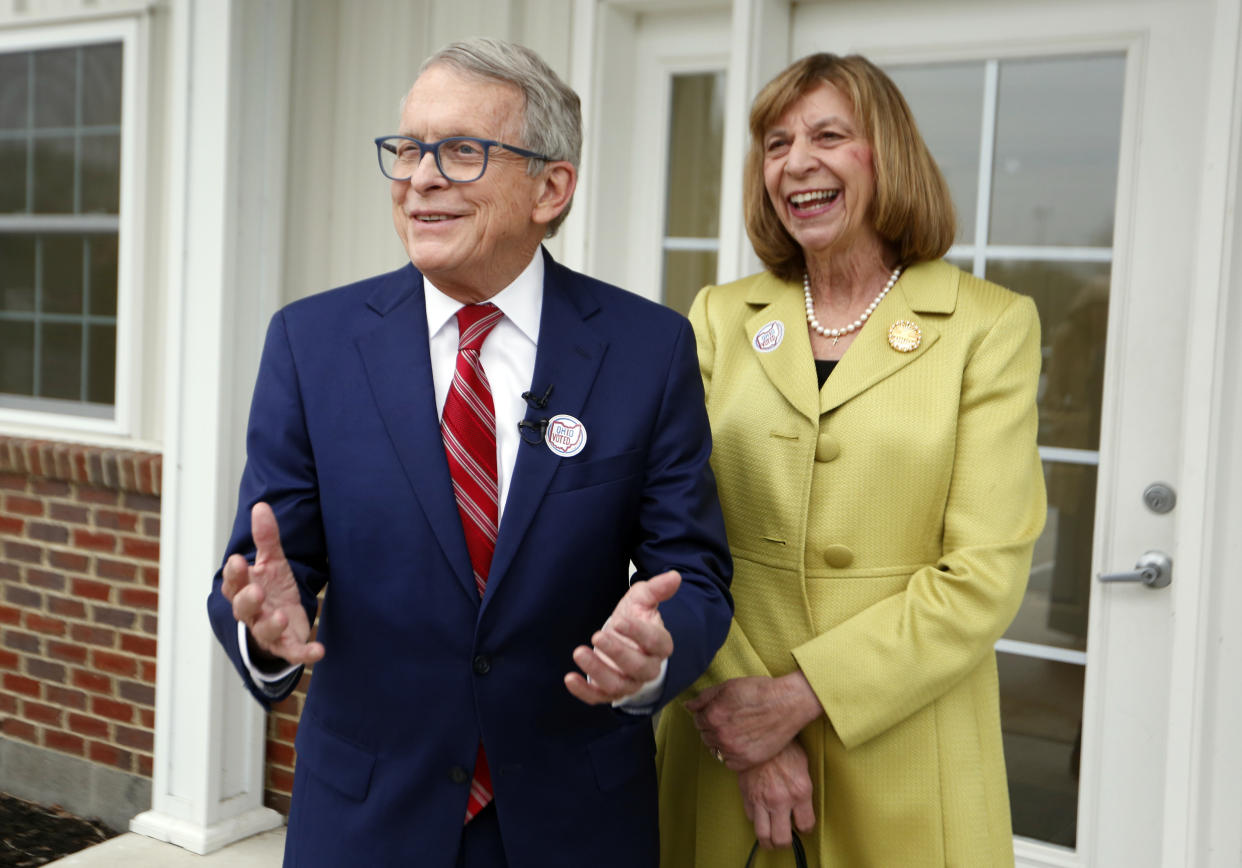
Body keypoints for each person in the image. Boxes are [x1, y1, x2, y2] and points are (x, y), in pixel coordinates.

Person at [205, 38, 733, 868]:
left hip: (574, 824)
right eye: (408, 149)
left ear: (549, 188)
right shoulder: (312, 344)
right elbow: (268, 565)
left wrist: (657, 650)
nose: (419, 177)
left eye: (459, 151)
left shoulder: (647, 350)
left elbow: (695, 574)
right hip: (367, 821)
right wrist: (271, 632)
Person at [655, 52, 1046, 867]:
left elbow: (985, 573)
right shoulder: (720, 318)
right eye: (775, 143)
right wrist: (749, 729)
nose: (797, 162)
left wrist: (800, 697)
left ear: (887, 156)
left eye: (830, 135)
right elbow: (668, 532)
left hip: (905, 742)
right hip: (725, 738)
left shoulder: (988, 325)